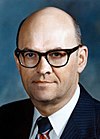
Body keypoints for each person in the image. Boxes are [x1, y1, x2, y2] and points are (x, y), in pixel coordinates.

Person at [0, 7, 100, 139]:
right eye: (30, 55)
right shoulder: (4, 119)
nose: (42, 69)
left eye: (56, 54)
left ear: (80, 59)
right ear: (18, 62)